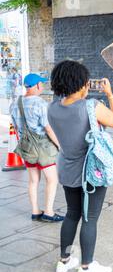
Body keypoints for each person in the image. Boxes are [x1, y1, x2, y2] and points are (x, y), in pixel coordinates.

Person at [48, 60, 113, 272]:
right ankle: (86, 268)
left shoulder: (52, 108)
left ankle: (64, 261)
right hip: (91, 172)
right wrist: (109, 94)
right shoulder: (90, 106)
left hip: (67, 169)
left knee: (72, 214)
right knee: (90, 218)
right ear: (81, 83)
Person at [10, 73, 63, 222]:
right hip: (42, 148)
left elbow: (15, 126)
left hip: (27, 147)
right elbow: (48, 129)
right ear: (37, 85)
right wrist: (59, 145)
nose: (43, 86)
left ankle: (35, 211)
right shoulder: (40, 103)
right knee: (52, 179)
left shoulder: (16, 102)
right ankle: (49, 212)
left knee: (33, 180)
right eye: (42, 84)